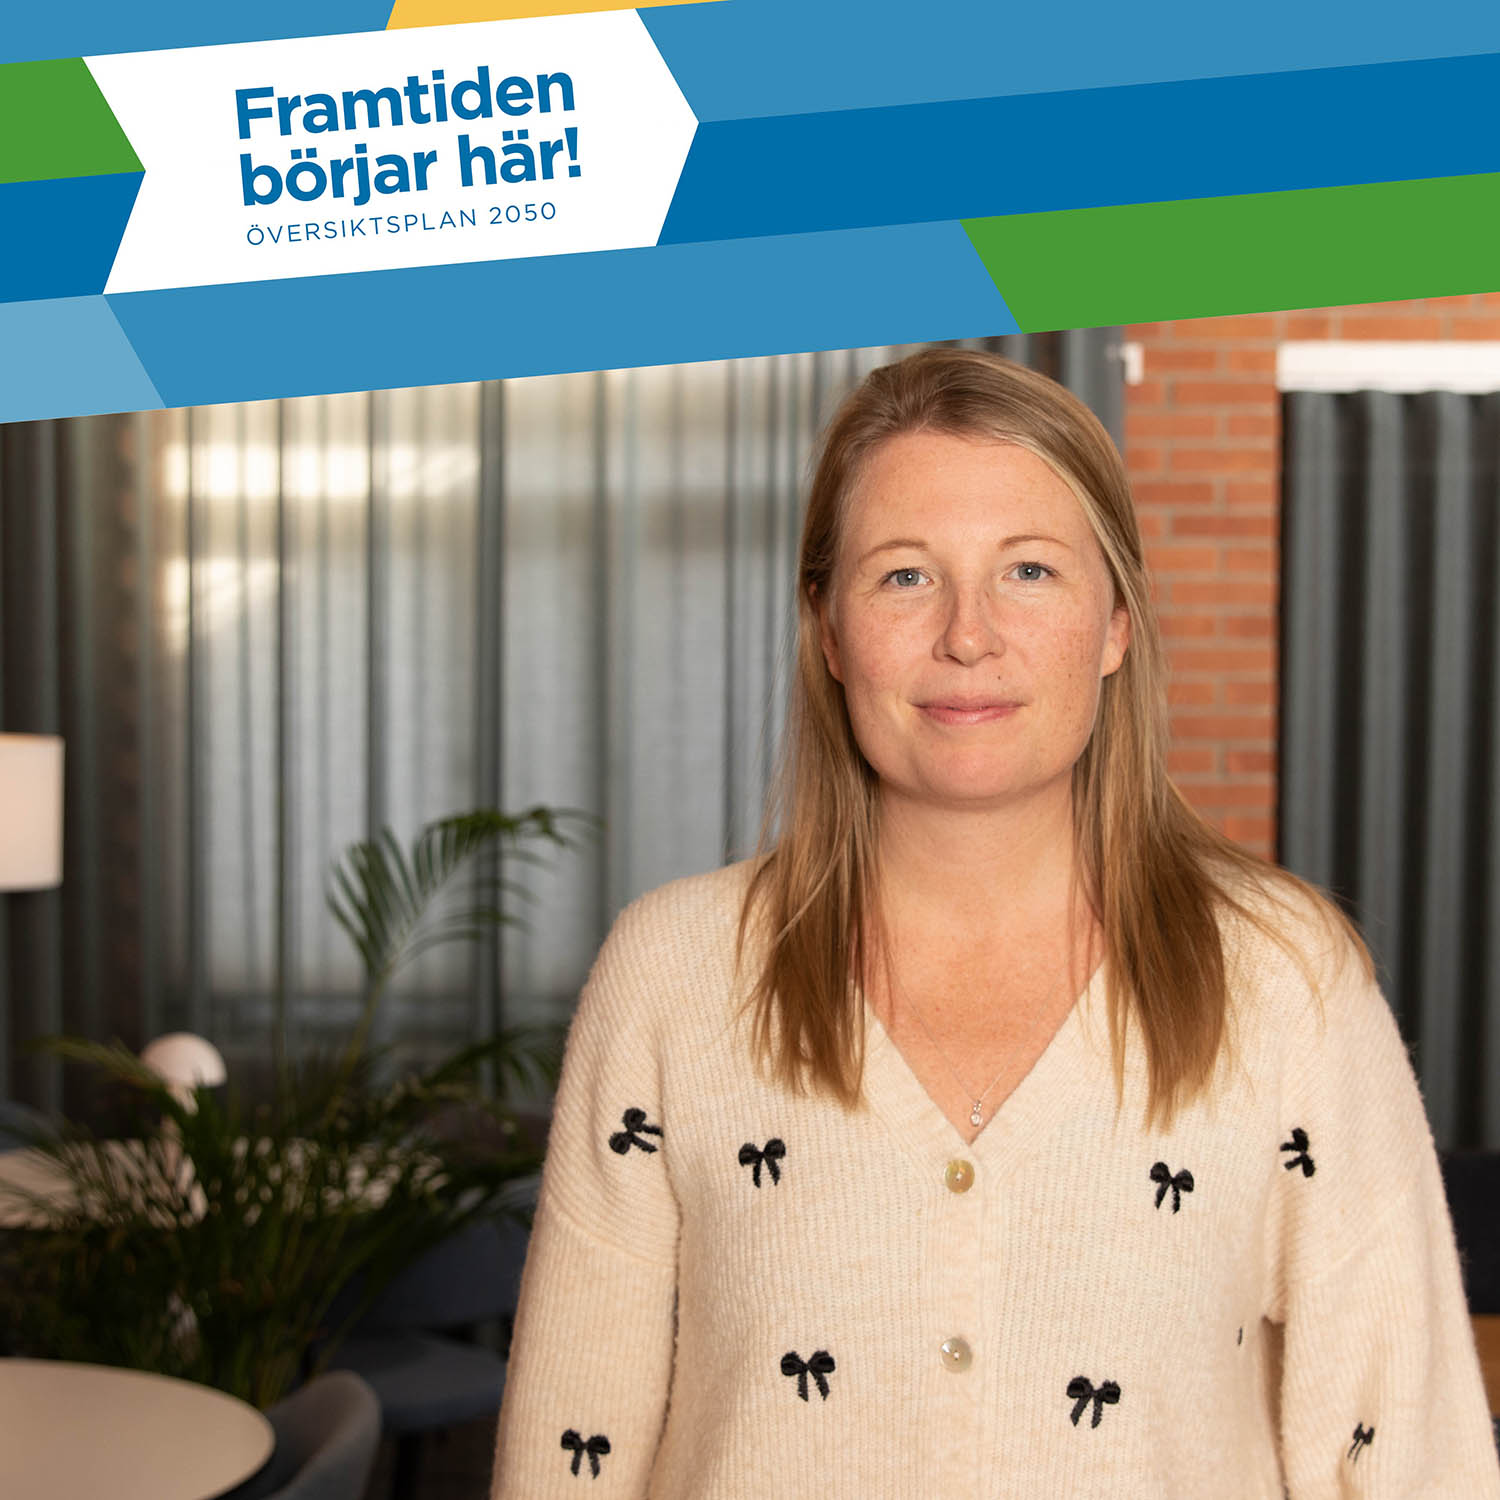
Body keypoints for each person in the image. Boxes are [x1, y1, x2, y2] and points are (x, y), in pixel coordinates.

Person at [492, 348, 1499, 1497]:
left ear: (1115, 622)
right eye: (904, 575)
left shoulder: (1284, 982)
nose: (967, 635)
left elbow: (1410, 1450)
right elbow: (569, 1448)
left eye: (1029, 569)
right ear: (828, 630)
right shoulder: (673, 975)